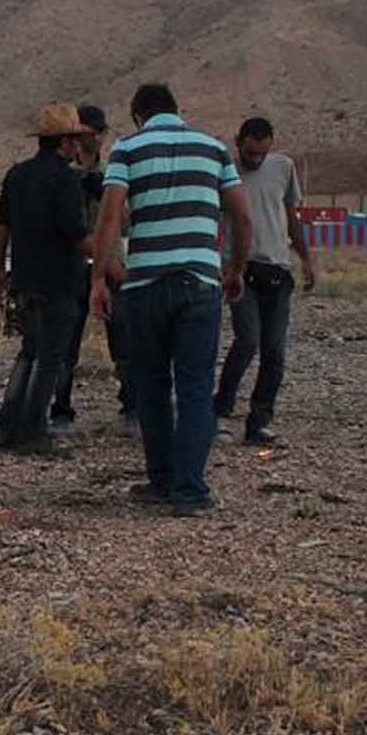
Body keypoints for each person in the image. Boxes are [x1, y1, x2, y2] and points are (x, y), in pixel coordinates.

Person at [89, 83, 252, 516]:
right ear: (178, 110)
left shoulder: (128, 149)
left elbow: (109, 217)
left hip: (145, 285)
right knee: (197, 388)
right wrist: (235, 269)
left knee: (153, 385)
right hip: (200, 282)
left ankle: (161, 481)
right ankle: (191, 491)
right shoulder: (214, 148)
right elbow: (241, 213)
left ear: (138, 114)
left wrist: (99, 280)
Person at [0, 104, 91, 457]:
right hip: (59, 279)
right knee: (50, 357)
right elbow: (75, 233)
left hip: (24, 276)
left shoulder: (17, 174)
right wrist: (105, 250)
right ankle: (33, 430)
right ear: (66, 142)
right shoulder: (65, 180)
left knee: (28, 353)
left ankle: (8, 425)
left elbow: (2, 225)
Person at [214, 117, 316, 445]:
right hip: (241, 271)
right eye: (250, 152)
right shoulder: (225, 171)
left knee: (274, 350)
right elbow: (216, 220)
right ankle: (220, 409)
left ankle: (259, 420)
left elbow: (291, 215)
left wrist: (306, 258)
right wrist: (219, 265)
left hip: (278, 269)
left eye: (262, 152)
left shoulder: (284, 167)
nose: (256, 159)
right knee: (247, 341)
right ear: (238, 142)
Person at [48, 104, 113, 436]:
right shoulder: (61, 173)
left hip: (109, 260)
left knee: (123, 338)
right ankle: (60, 408)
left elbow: (126, 219)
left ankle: (131, 406)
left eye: (97, 132)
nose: (91, 139)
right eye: (85, 132)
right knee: (65, 342)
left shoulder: (115, 171)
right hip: (71, 262)